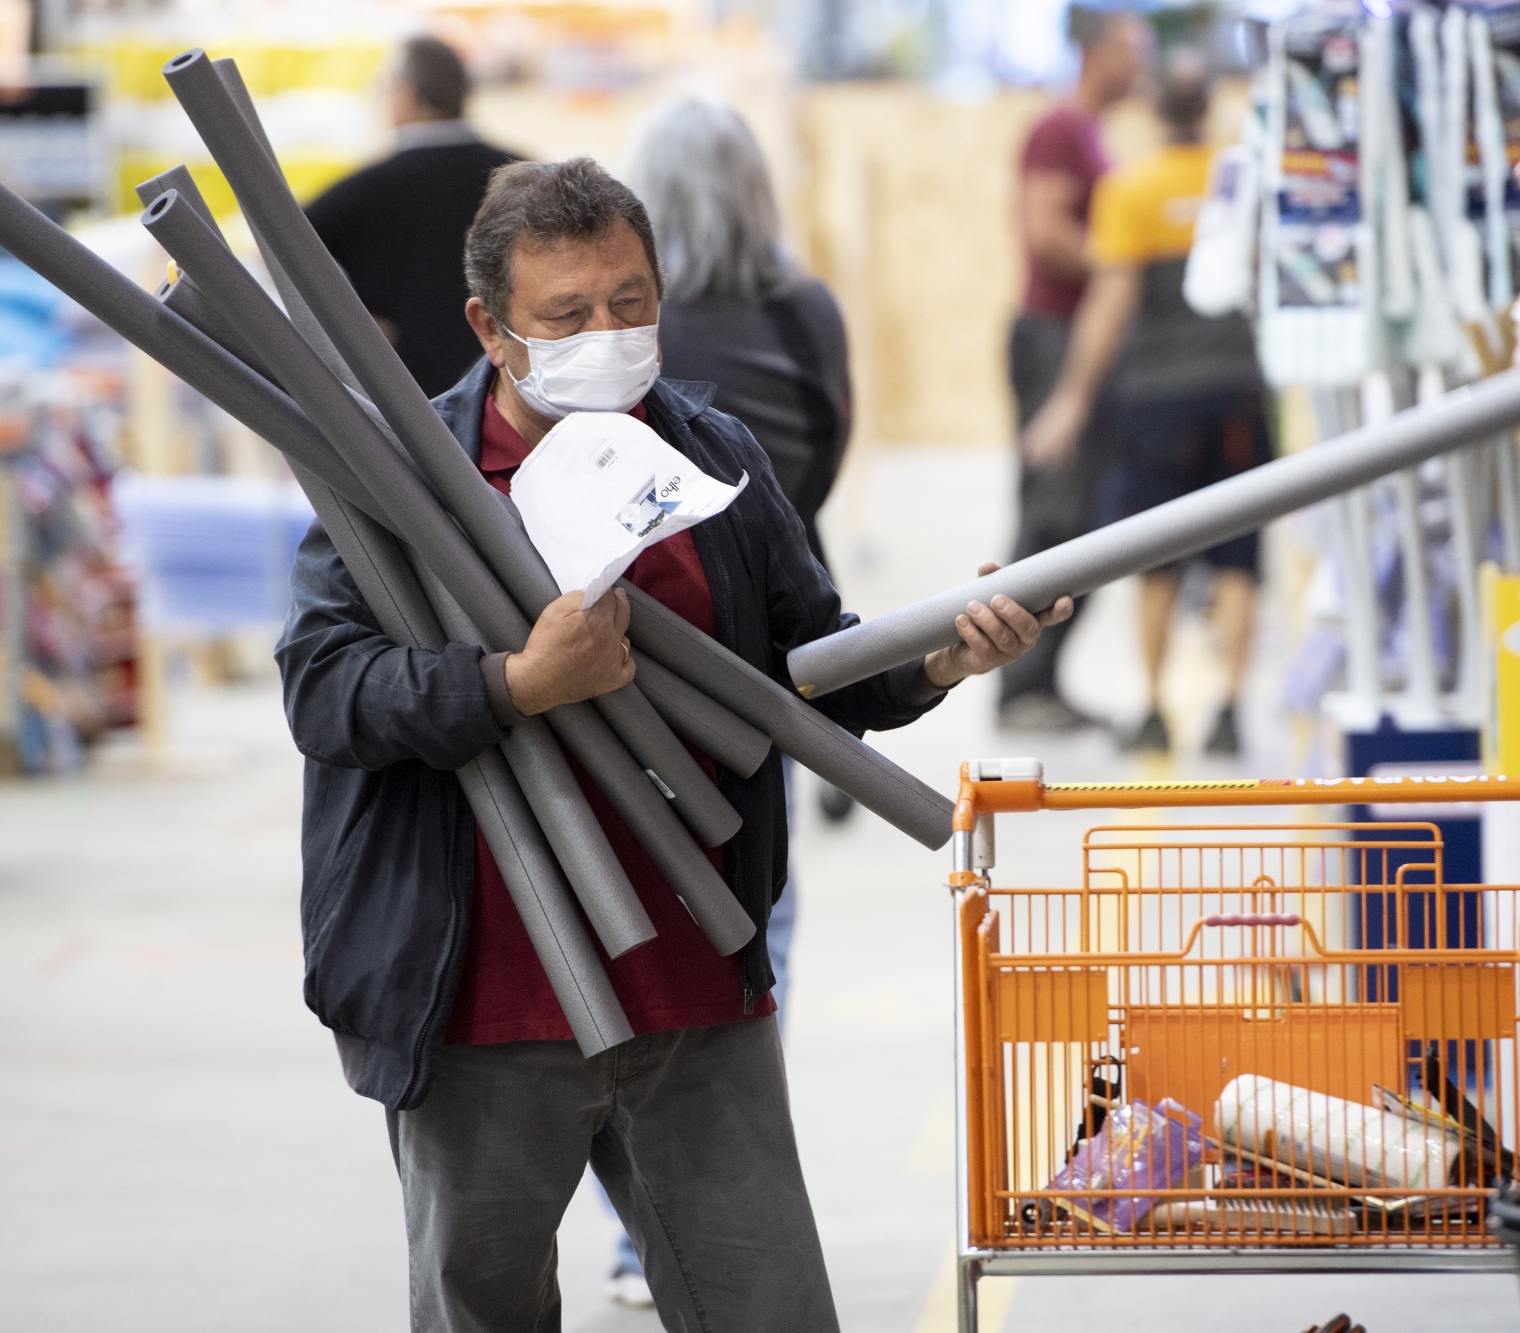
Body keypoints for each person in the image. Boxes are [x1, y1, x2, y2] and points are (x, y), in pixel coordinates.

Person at [274, 155, 1070, 1333]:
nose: (609, 333)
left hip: (697, 989)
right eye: (569, 315)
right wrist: (513, 684)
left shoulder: (712, 458)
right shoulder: (403, 487)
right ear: (491, 328)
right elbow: (326, 691)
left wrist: (942, 656)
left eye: (631, 302)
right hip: (484, 1003)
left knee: (772, 1310)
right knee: (481, 1312)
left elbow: (810, 666)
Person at [596, 94, 856, 1309]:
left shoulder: (630, 334)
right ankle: (689, 1197)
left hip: (618, 665)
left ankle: (635, 1216)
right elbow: (829, 444)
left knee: (621, 915)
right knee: (756, 919)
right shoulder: (802, 311)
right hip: (757, 655)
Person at [1021, 53, 1271, 757]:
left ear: (1156, 112)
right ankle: (1229, 709)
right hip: (1236, 392)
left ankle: (1156, 706)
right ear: (1210, 107)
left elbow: (1109, 302)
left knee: (1157, 557)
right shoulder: (1238, 184)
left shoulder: (1130, 189)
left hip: (1155, 399)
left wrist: (1068, 399)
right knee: (1237, 555)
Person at [998, 4, 1149, 734]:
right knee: (1053, 512)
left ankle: (1044, 682)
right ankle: (1019, 686)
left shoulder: (1090, 133)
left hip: (1078, 337)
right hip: (1055, 337)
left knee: (1083, 518)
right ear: (1097, 53)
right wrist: (1119, 261)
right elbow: (1047, 230)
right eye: (1131, 47)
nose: (1141, 60)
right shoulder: (1058, 129)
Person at [306, 36, 516, 396]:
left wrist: (352, 327)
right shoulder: (519, 175)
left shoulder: (366, 189)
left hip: (405, 396)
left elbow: (279, 247)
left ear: (407, 94)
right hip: (511, 385)